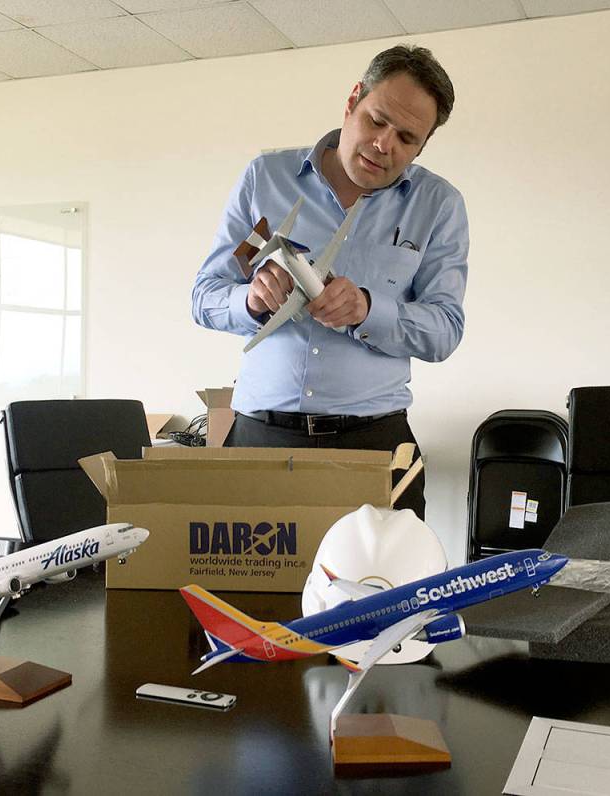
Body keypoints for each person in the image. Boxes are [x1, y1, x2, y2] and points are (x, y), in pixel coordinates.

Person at [191, 45, 469, 519]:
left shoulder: (437, 206)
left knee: (387, 571)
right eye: (377, 121)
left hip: (374, 445)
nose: (384, 145)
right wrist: (251, 300)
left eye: (407, 138)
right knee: (245, 572)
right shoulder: (266, 181)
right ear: (353, 99)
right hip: (261, 441)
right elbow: (206, 295)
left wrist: (368, 310)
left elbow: (444, 330)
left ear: (422, 146)